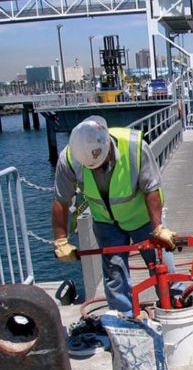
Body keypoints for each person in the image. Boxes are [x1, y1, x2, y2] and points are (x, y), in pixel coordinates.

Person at [52, 115, 177, 317]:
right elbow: (61, 200)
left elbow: (151, 189)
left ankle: (173, 308)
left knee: (162, 265)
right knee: (115, 274)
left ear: (108, 142)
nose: (99, 169)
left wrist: (158, 228)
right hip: (105, 222)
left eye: (101, 164)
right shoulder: (69, 158)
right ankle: (123, 320)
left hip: (142, 218)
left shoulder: (134, 146)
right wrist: (60, 240)